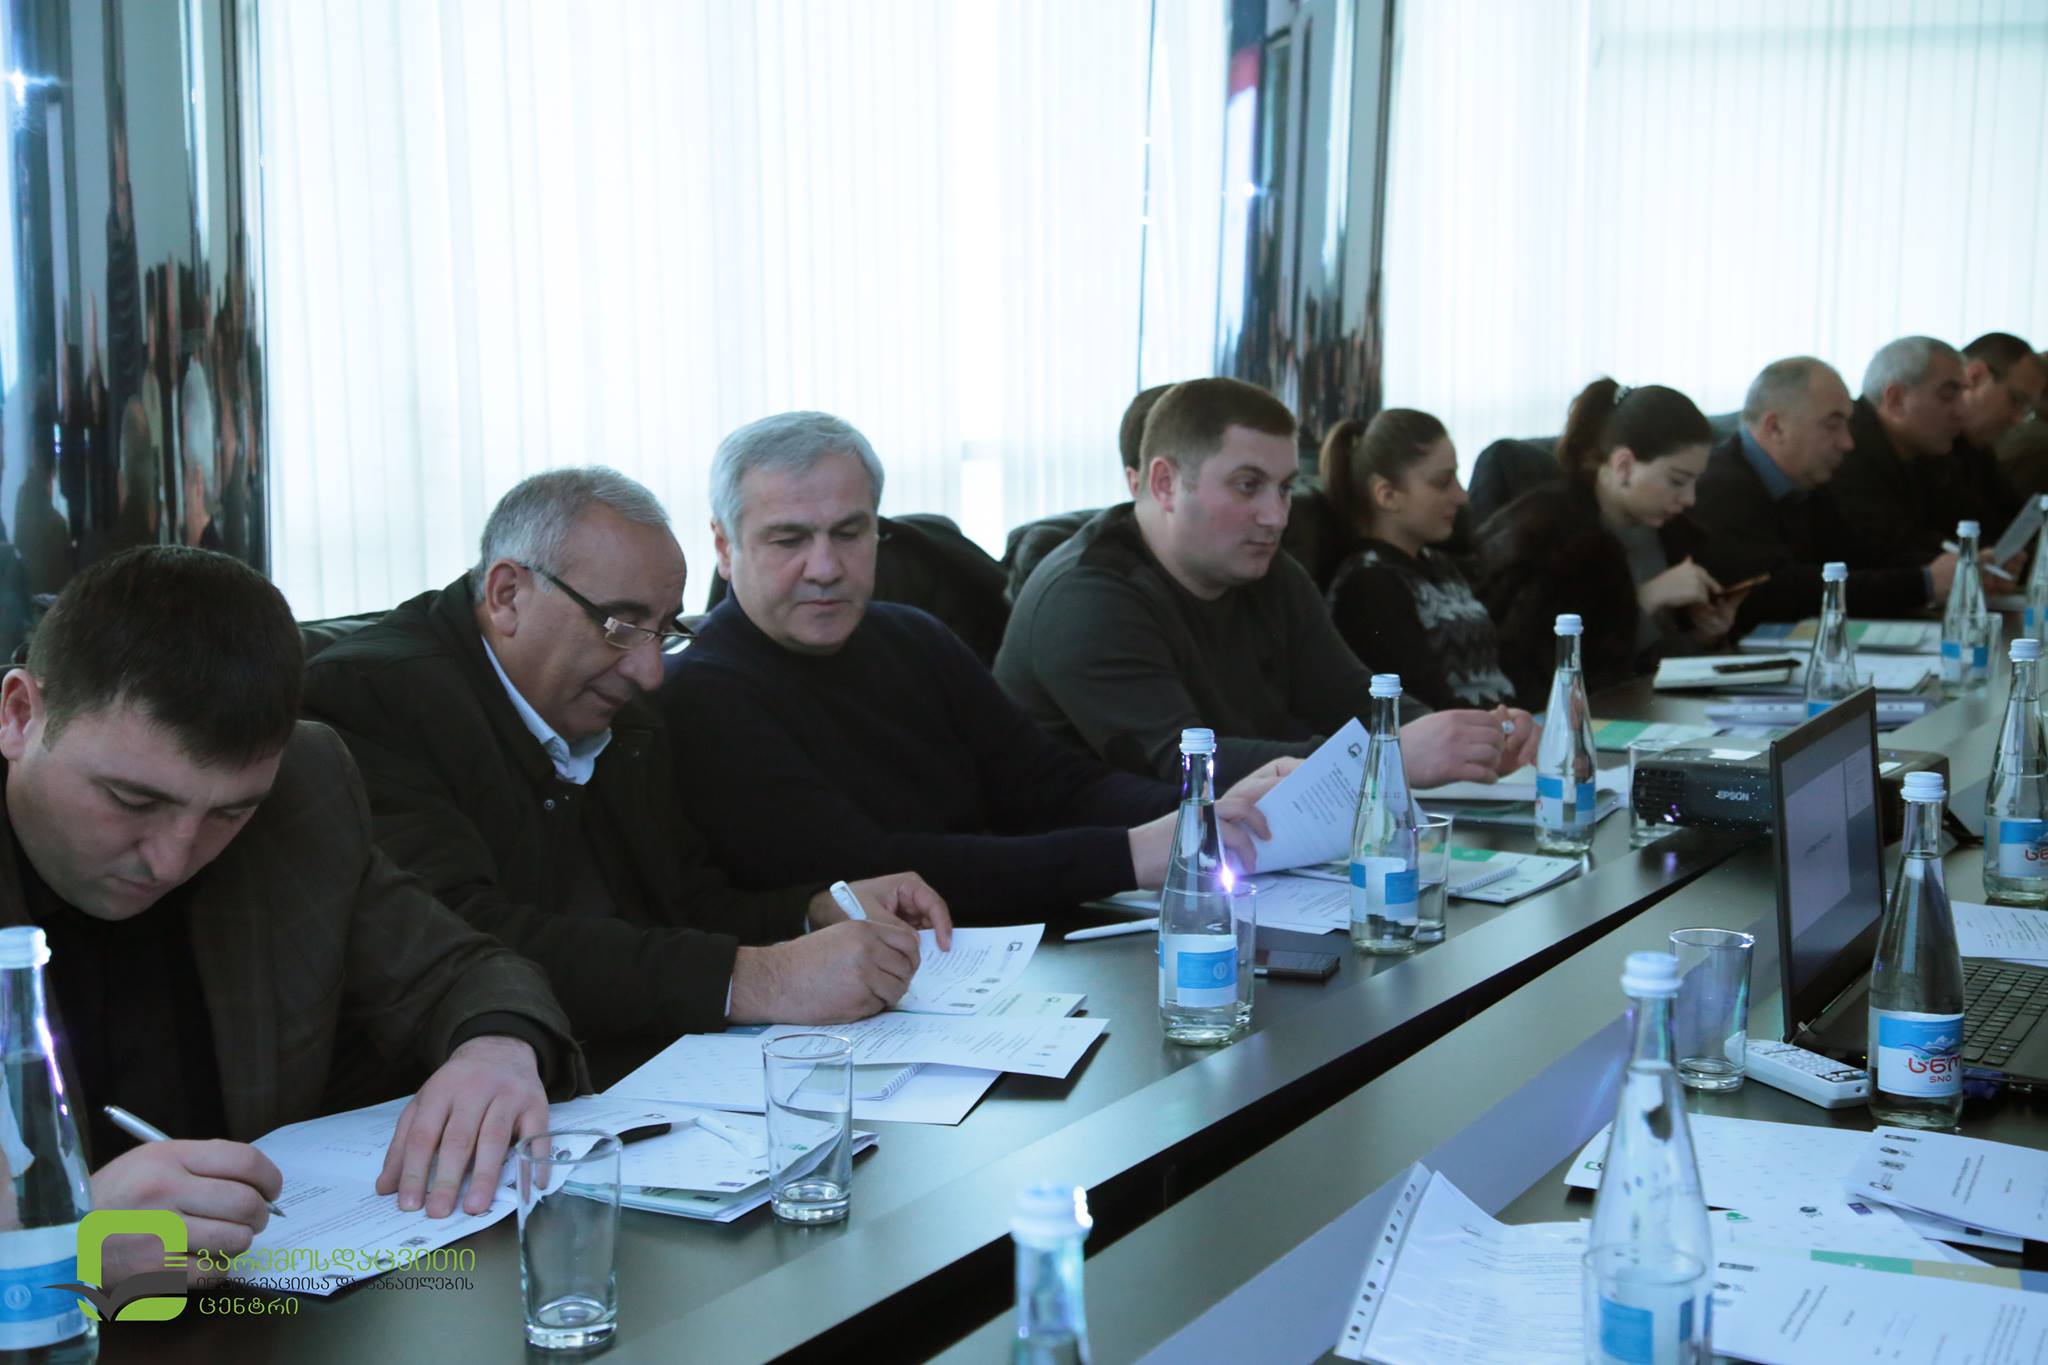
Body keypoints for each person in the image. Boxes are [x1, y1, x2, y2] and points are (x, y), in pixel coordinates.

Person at [0, 546, 582, 1279]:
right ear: (20, 715)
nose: (172, 860)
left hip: (263, 1304)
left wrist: (497, 1048)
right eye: (132, 800)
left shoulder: (301, 793)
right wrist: (61, 1243)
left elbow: (462, 971)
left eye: (228, 813)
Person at [303, 469, 952, 1079]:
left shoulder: (621, 710)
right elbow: (464, 944)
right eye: (620, 625)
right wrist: (757, 978)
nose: (651, 672)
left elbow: (682, 900)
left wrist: (816, 910)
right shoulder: (371, 702)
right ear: (506, 595)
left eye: (663, 630)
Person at [662, 412, 1297, 920]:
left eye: (849, 533)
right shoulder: (705, 690)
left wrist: (1206, 810)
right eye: (789, 539)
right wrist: (1130, 854)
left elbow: (1054, 787)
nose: (825, 568)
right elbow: (865, 869)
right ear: (724, 547)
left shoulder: (912, 636)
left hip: (1015, 957)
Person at [995, 377, 1538, 789]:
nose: (1276, 516)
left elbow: (1350, 697)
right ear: (1164, 484)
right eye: (1247, 485)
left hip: (1243, 852)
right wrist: (1385, 756)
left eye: (1283, 488)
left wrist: (1468, 736)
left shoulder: (1268, 571)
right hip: (1098, 883)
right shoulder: (1085, 598)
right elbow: (1183, 767)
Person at [1474, 379, 1733, 707]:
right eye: (1677, 481)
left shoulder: (1674, 532)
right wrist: (1647, 599)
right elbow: (1546, 670)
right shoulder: (1553, 538)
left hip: (1653, 705)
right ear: (1624, 466)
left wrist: (1703, 635)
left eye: (1695, 481)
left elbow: (1653, 659)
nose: (1689, 498)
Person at [1692, 357, 1953, 632]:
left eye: (1847, 425)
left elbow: (1859, 558)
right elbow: (1779, 592)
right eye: (1832, 425)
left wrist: (1941, 569)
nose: (1848, 443)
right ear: (1775, 427)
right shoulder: (1719, 488)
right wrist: (1922, 583)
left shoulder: (1806, 483)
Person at [1318, 411, 1515, 712]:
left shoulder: (1440, 565)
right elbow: (1422, 706)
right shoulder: (1369, 586)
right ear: (1387, 495)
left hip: (1504, 729)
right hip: (1461, 736)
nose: (1462, 496)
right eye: (1443, 482)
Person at [1826, 336, 1967, 565]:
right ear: (1896, 400)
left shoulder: (1928, 453)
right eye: (1948, 396)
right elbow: (1880, 554)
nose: (1962, 411)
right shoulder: (1846, 452)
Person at [1937, 332, 2044, 539]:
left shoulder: (1977, 450)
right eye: (2015, 400)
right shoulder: (1922, 447)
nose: (2018, 419)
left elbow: (2014, 527)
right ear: (1975, 376)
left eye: (2027, 410)